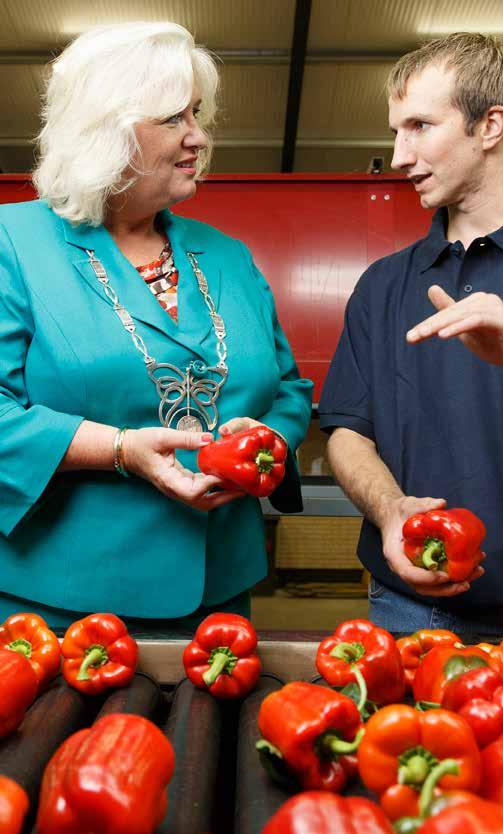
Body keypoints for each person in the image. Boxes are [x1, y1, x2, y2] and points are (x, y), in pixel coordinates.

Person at [0, 21, 312, 630]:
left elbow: (290, 390)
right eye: (173, 118)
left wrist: (269, 440)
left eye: (197, 113)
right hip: (59, 609)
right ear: (104, 130)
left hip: (219, 599)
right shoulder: (12, 243)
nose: (198, 137)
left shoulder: (228, 255)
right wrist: (120, 449)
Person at [319, 32, 503, 637]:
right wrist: (389, 513)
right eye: (395, 131)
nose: (400, 155)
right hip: (407, 608)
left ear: (490, 125)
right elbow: (346, 429)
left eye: (419, 126)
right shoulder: (383, 284)